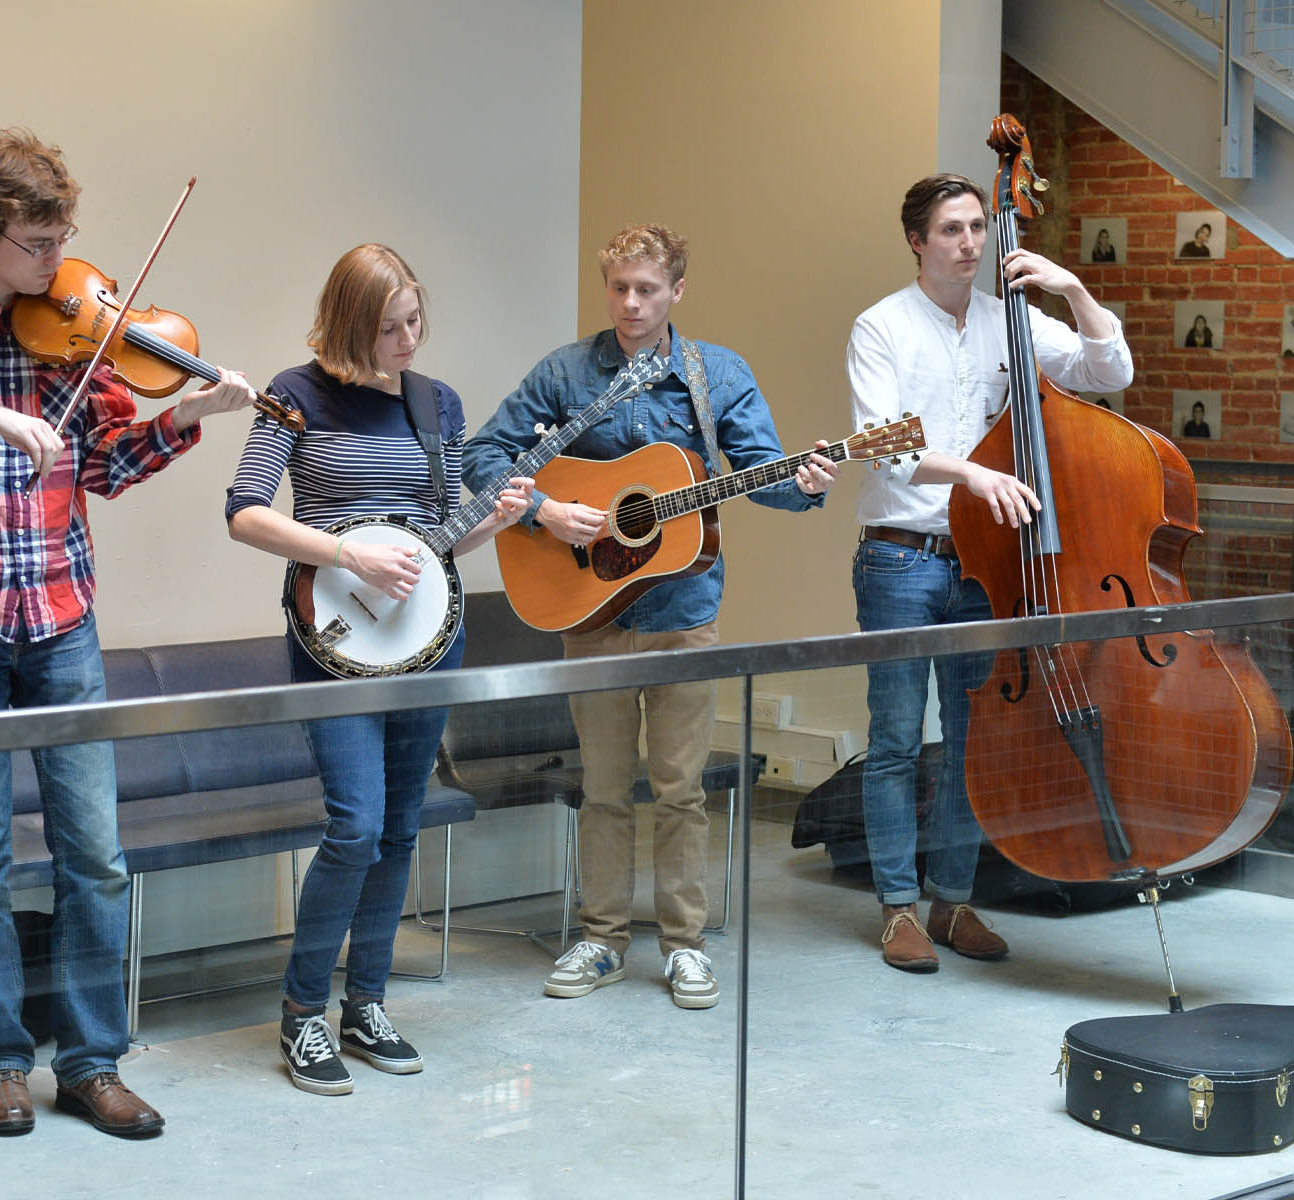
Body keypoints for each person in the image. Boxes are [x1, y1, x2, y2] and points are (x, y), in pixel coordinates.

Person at [0, 129, 257, 1138]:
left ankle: (89, 1063)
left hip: (62, 615)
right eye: (36, 242)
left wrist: (185, 413)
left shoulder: (73, 327)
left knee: (94, 854)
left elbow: (105, 464)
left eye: (63, 236)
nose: (57, 263)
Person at [466, 224, 835, 1009]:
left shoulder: (715, 374)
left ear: (677, 291)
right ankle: (600, 939)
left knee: (679, 788)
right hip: (590, 610)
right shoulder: (566, 372)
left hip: (682, 608)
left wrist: (804, 482)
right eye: (618, 289)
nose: (631, 305)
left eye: (647, 290)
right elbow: (482, 453)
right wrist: (542, 509)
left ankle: (683, 946)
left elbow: (757, 476)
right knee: (603, 786)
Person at [226, 245, 533, 1096]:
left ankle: (366, 1002)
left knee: (401, 825)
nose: (409, 339)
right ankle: (301, 1016)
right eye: (391, 326)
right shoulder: (297, 393)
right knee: (355, 824)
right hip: (333, 641)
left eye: (416, 321)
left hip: (430, 639)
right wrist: (344, 554)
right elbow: (245, 513)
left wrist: (497, 519)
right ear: (352, 323)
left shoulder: (437, 402)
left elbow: (439, 536)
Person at [847, 174, 1133, 972]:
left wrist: (1072, 288)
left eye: (977, 227)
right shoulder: (880, 327)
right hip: (902, 558)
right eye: (950, 230)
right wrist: (974, 475)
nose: (970, 243)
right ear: (917, 240)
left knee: (976, 741)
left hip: (988, 566)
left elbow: (1109, 373)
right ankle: (898, 911)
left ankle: (954, 903)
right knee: (899, 739)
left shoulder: (1011, 319)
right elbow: (882, 444)